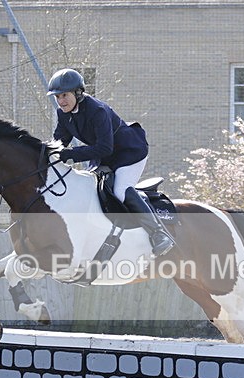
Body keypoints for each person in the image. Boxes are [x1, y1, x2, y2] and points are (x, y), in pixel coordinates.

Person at [47, 68, 174, 256]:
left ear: (78, 93)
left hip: (129, 151)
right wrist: (44, 153)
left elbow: (105, 147)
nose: (61, 101)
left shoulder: (97, 110)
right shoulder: (63, 113)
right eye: (57, 97)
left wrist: (70, 154)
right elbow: (59, 142)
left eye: (64, 95)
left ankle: (159, 234)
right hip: (105, 155)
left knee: (120, 191)